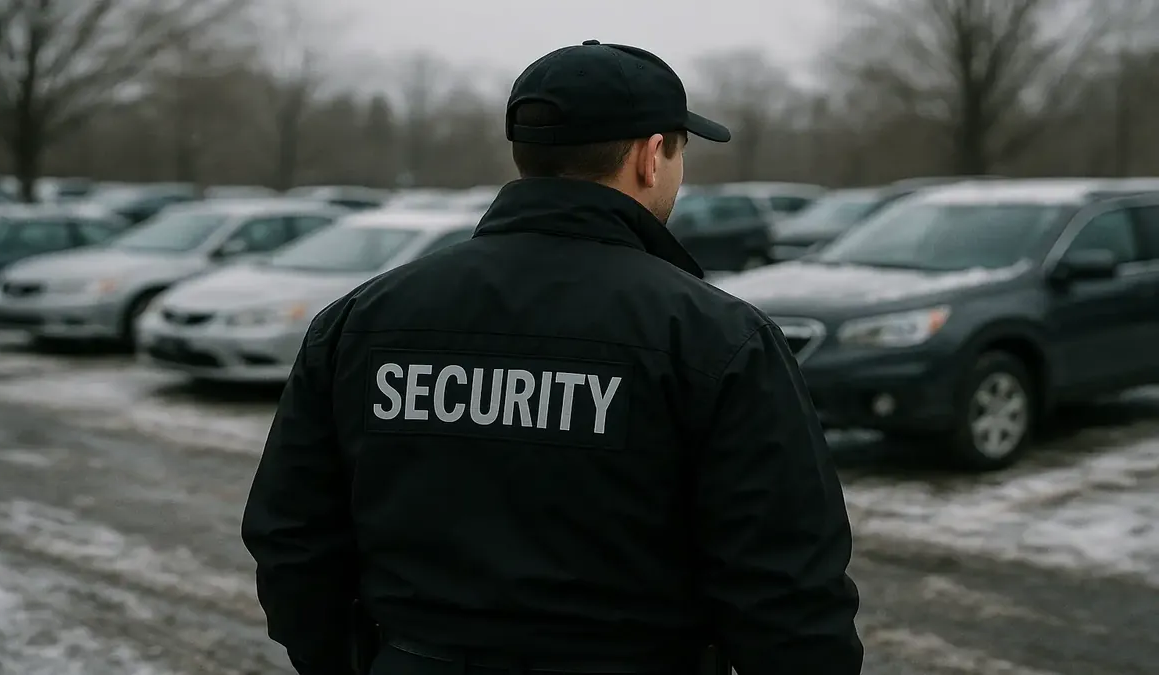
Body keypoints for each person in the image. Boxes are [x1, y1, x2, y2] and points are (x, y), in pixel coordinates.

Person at [241, 39, 863, 675]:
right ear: (652, 157)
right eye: (680, 153)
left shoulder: (361, 320)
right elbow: (788, 589)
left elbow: (292, 540)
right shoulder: (716, 337)